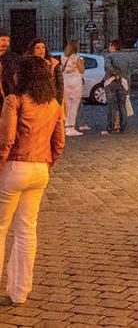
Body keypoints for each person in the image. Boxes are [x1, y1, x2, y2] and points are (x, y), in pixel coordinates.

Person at [0, 55, 65, 305]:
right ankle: (20, 291)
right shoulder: (53, 105)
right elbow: (59, 143)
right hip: (40, 169)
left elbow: (6, 139)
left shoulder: (14, 101)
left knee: (2, 228)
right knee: (27, 230)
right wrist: (47, 162)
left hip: (15, 165)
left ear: (22, 75)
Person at [25, 40, 62, 107]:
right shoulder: (27, 64)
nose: (41, 50)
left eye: (43, 47)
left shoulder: (53, 63)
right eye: (37, 48)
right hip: (32, 100)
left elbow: (59, 85)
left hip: (50, 99)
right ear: (32, 50)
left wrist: (59, 102)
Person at [60, 40, 85, 137]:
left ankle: (66, 126)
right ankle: (71, 127)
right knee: (74, 106)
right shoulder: (77, 58)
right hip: (75, 83)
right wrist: (82, 62)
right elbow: (81, 70)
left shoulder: (63, 57)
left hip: (66, 82)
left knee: (67, 106)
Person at [102, 40, 127, 135]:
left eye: (109, 45)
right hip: (122, 82)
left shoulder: (109, 56)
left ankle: (110, 128)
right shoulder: (125, 57)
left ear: (113, 46)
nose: (109, 47)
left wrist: (115, 74)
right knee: (122, 106)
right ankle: (122, 126)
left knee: (111, 106)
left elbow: (108, 67)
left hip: (111, 82)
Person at [0, 34, 18, 109]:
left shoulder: (13, 58)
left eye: (8, 41)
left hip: (8, 92)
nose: (6, 43)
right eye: (3, 40)